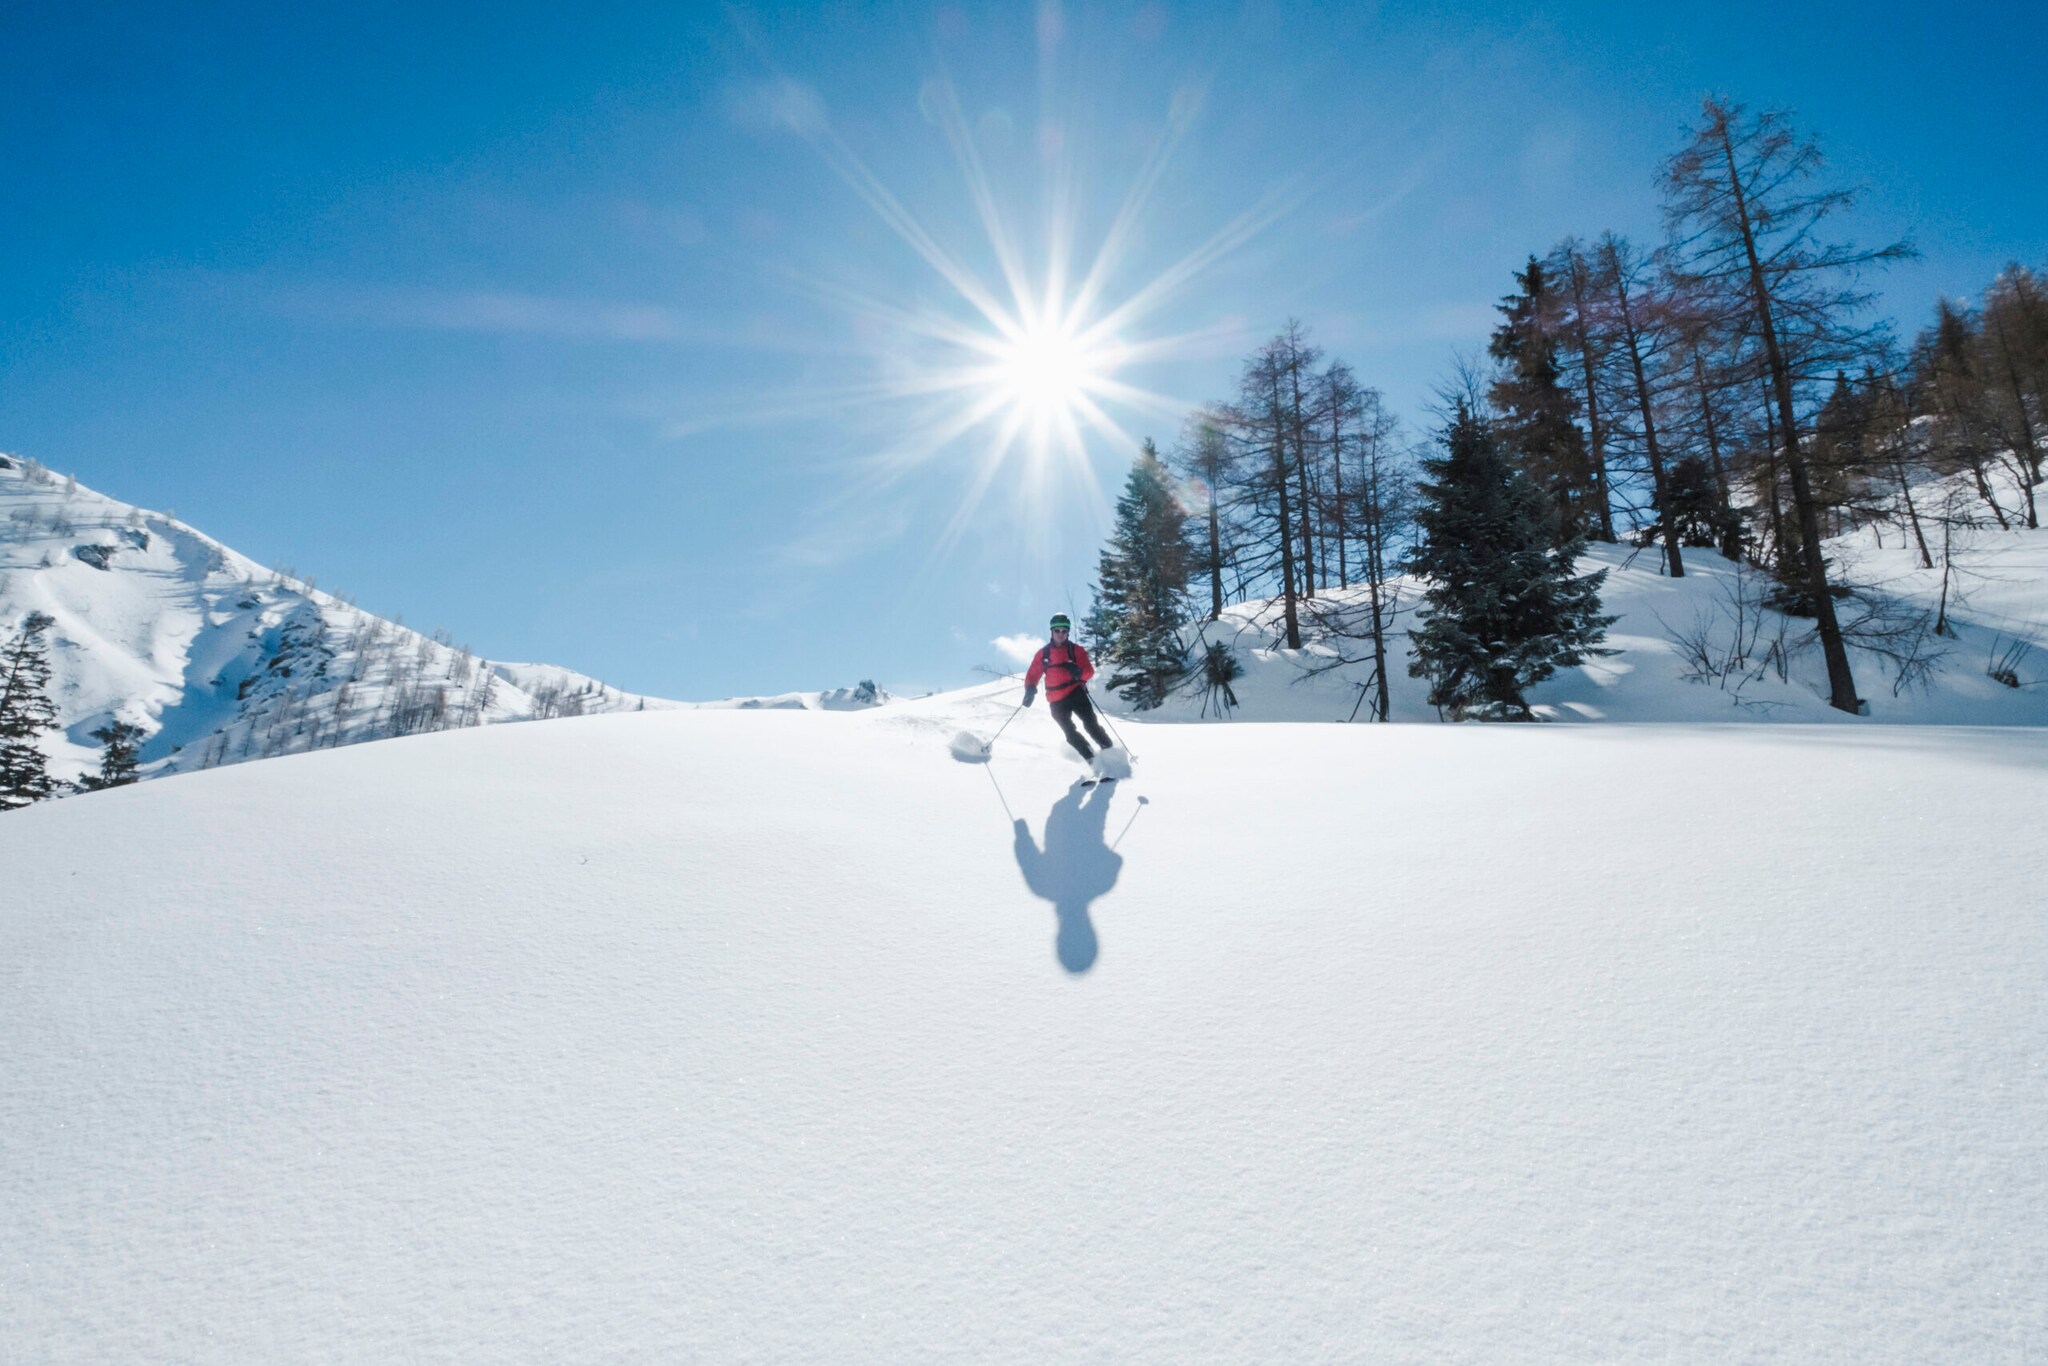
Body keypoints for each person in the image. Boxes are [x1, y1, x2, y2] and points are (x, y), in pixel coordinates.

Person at [1022, 613, 1115, 763]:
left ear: (1068, 632)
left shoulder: (1076, 650)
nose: (1060, 634)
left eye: (1064, 631)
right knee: (1070, 734)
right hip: (1055, 699)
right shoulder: (1043, 654)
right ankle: (1092, 760)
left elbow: (1089, 671)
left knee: (1091, 725)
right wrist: (1030, 689)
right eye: (1057, 630)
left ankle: (1110, 752)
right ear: (1052, 631)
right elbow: (1033, 673)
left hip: (1076, 692)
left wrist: (1079, 672)